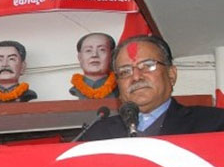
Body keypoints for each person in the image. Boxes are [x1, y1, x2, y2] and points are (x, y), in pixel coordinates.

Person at [83, 35, 224, 139]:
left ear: (171, 74)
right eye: (125, 71)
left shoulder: (214, 124)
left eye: (148, 66)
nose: (136, 77)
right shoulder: (97, 135)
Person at [69, 32, 118, 99]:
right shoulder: (76, 89)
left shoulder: (121, 88)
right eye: (88, 50)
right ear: (80, 57)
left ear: (111, 56)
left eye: (102, 50)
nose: (94, 55)